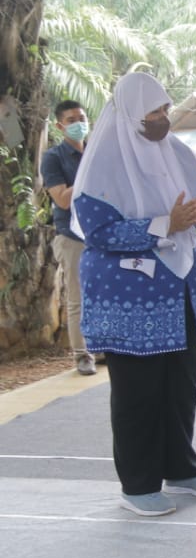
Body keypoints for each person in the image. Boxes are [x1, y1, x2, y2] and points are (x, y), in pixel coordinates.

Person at [72, 71, 196, 517]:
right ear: (129, 114)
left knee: (183, 384)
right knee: (138, 392)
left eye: (165, 109)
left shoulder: (178, 153)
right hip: (131, 297)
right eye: (154, 112)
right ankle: (138, 485)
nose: (163, 118)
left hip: (181, 287)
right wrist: (165, 224)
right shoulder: (103, 164)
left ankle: (181, 469)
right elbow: (98, 232)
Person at [41, 99, 98, 376]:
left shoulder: (95, 153)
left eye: (82, 118)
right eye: (71, 120)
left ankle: (100, 348)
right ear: (59, 126)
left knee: (100, 295)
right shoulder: (54, 158)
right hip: (72, 237)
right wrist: (89, 176)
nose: (78, 124)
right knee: (78, 299)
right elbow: (62, 200)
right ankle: (82, 355)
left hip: (100, 236)